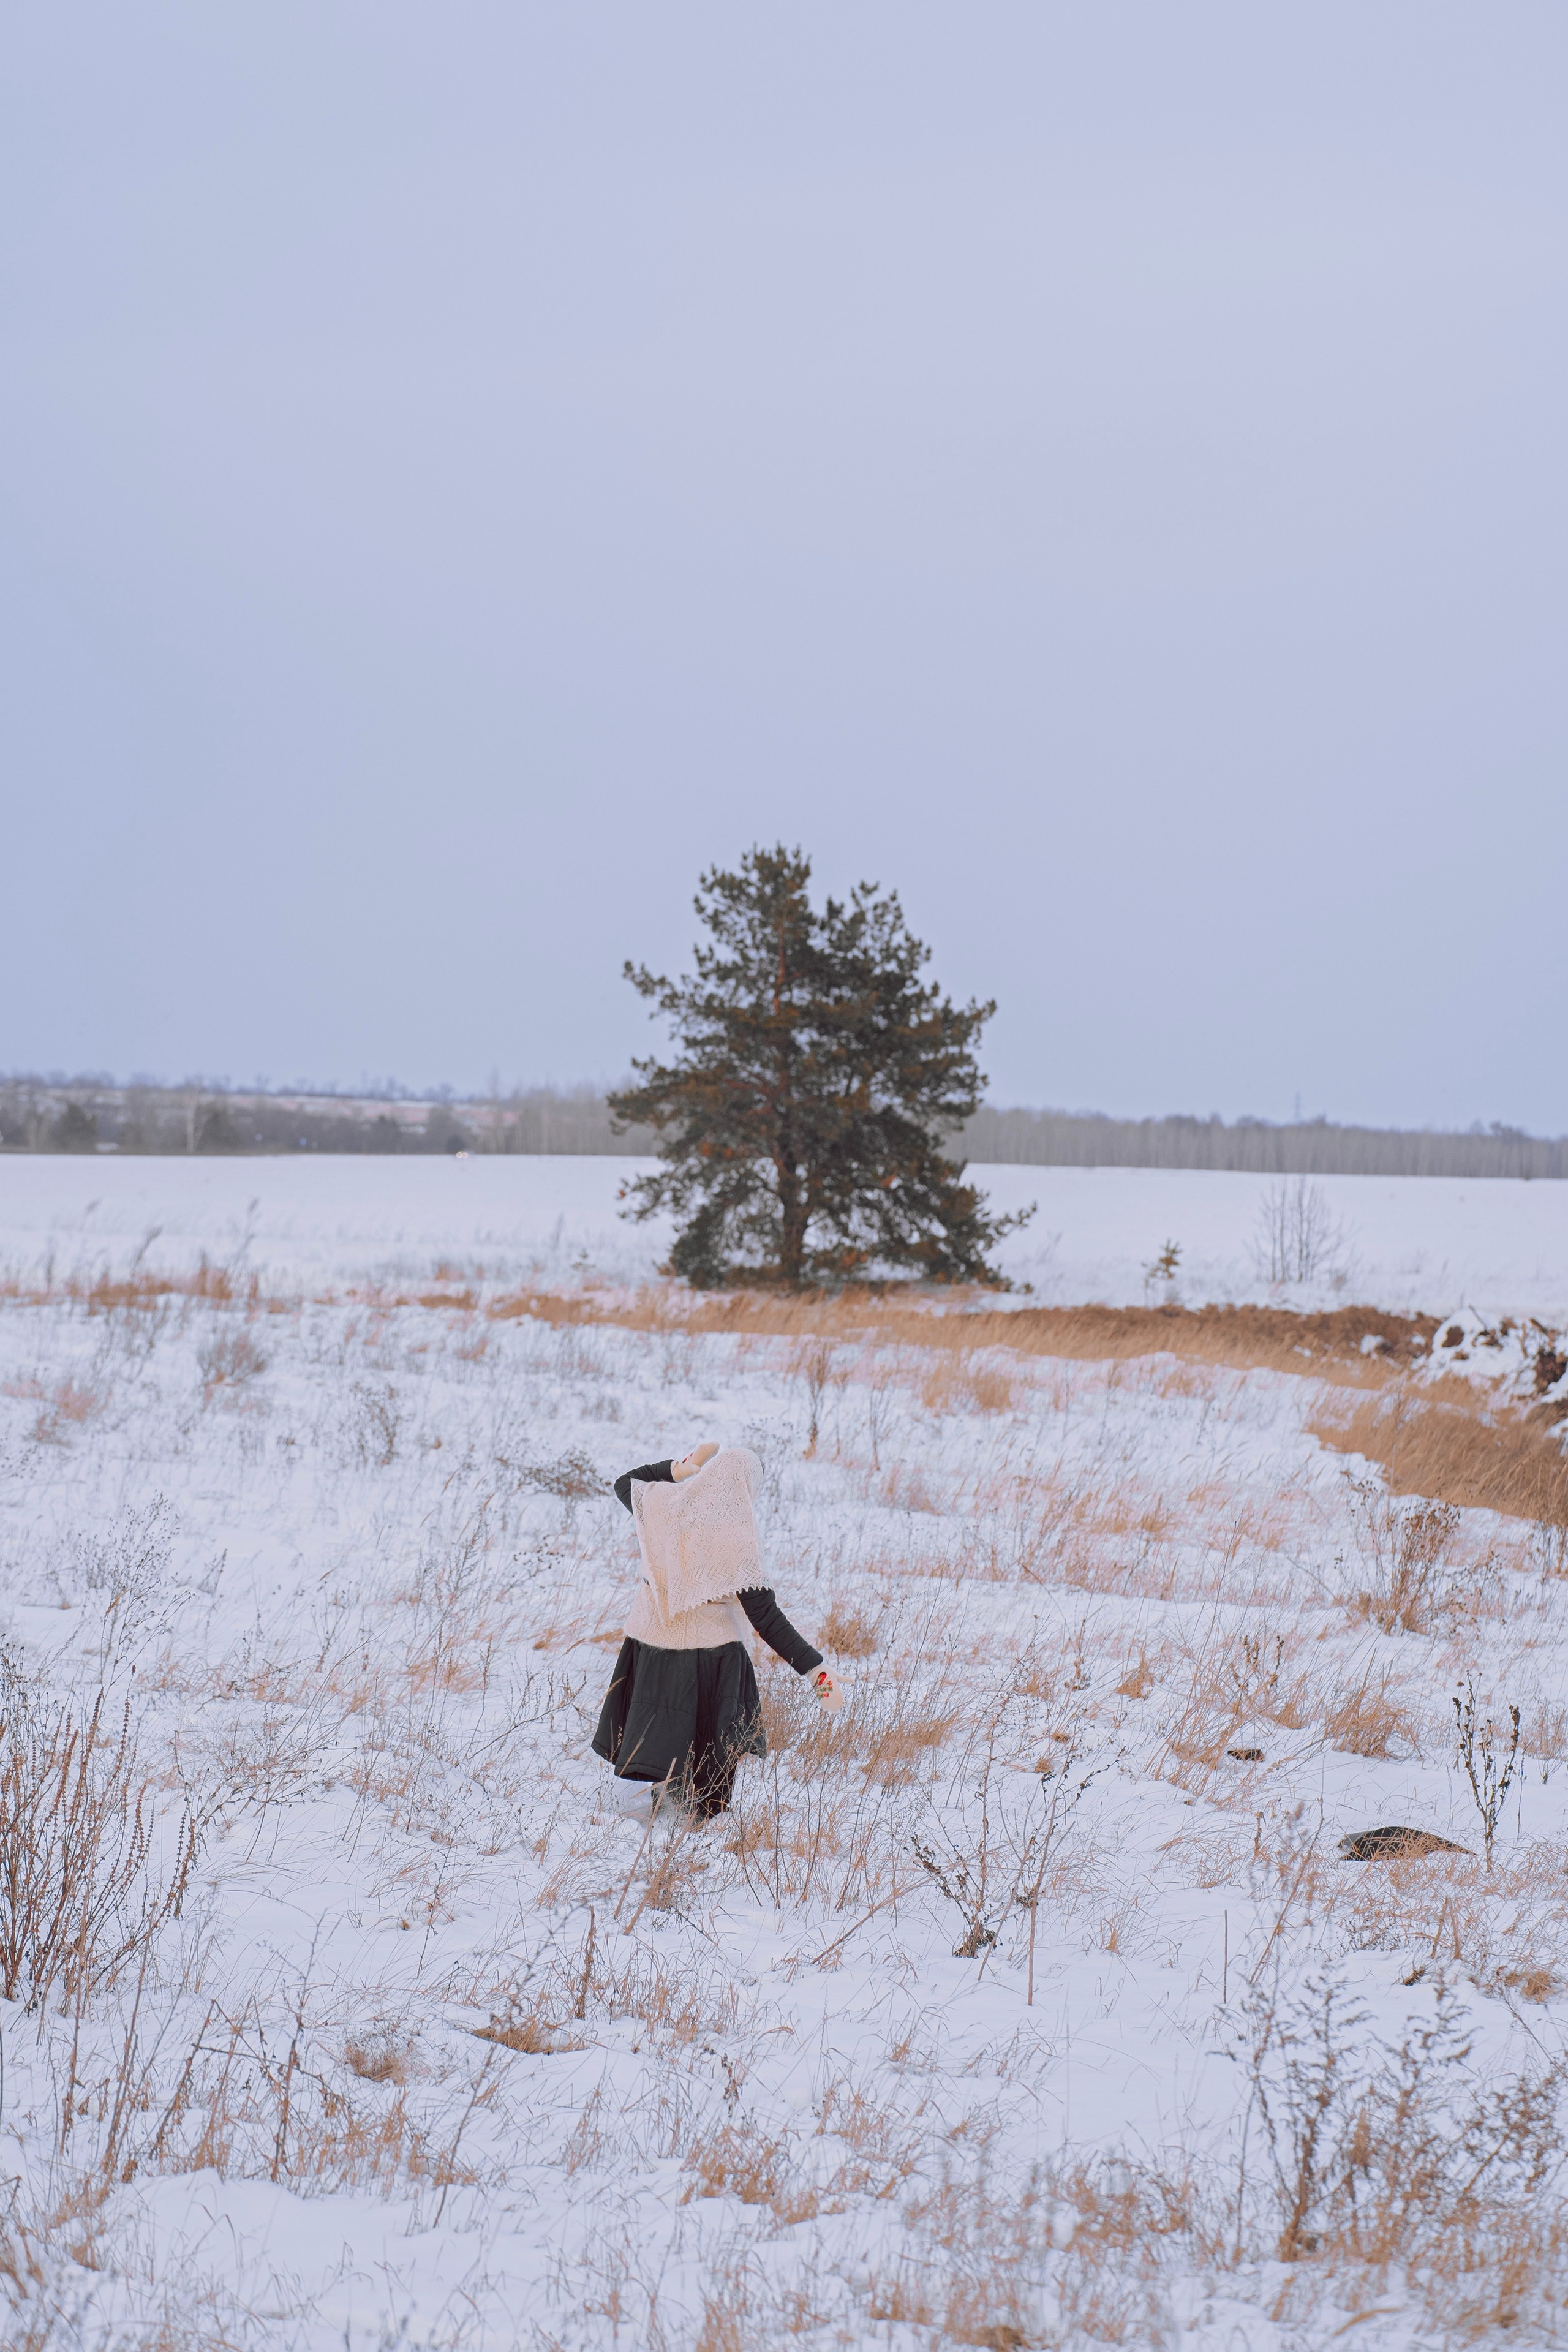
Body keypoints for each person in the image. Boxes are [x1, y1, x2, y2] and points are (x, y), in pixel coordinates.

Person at [592, 1442, 844, 1820]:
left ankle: (671, 1792)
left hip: (650, 1646)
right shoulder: (735, 1541)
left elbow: (627, 1482)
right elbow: (766, 1619)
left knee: (666, 1723)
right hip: (708, 1656)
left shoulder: (666, 1507)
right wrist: (817, 1673)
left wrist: (678, 1469)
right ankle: (701, 1812)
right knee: (712, 1749)